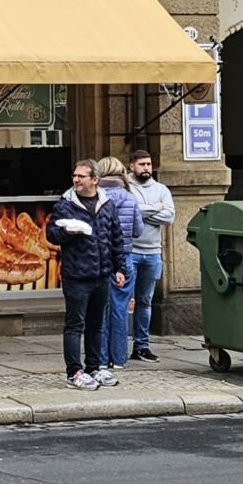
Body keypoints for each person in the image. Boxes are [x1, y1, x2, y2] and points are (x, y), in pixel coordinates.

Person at [47, 160, 126, 389]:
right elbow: (51, 235)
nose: (76, 180)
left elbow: (116, 238)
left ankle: (95, 367)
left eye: (81, 176)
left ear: (94, 180)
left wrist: (119, 268)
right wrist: (67, 231)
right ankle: (75, 372)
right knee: (74, 325)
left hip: (101, 274)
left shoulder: (106, 203)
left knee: (96, 324)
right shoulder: (65, 204)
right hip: (77, 274)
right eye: (74, 176)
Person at [123, 150, 174, 363]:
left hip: (153, 253)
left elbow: (170, 216)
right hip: (131, 252)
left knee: (145, 301)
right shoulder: (125, 187)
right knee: (124, 301)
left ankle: (142, 346)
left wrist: (142, 211)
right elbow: (128, 209)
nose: (146, 168)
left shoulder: (161, 189)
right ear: (131, 166)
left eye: (149, 164)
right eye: (142, 164)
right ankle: (119, 346)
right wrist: (155, 209)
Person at [93, 157, 142, 374]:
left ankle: (101, 359)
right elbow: (138, 230)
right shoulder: (130, 197)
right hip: (126, 256)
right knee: (121, 309)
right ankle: (119, 358)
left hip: (101, 257)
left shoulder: (96, 197)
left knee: (100, 309)